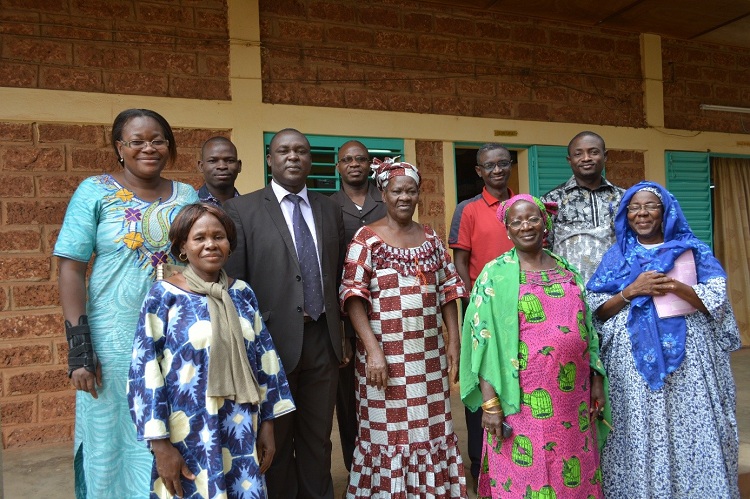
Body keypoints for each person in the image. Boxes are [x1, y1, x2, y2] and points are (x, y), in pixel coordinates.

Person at [54, 108, 199, 497]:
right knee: (112, 437)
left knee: (176, 429)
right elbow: (71, 268)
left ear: (169, 146)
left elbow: (200, 259)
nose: (148, 148)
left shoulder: (187, 195)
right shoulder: (94, 191)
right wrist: (79, 347)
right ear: (120, 147)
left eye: (158, 140)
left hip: (177, 339)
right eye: (137, 141)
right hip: (113, 342)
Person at [127, 203, 295, 498]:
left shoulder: (242, 292)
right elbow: (145, 370)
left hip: (240, 426)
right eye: (199, 238)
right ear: (182, 246)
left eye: (219, 237)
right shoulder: (164, 296)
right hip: (187, 433)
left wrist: (267, 424)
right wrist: (160, 444)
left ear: (229, 245)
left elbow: (265, 359)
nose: (210, 245)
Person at [586, 181, 740, 498]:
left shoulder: (692, 250)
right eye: (634, 208)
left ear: (665, 210)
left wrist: (675, 285)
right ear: (626, 214)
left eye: (650, 206)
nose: (642, 213)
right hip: (631, 371)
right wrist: (632, 291)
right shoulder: (616, 257)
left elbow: (718, 302)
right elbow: (594, 313)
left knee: (691, 428)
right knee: (637, 430)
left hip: (689, 366)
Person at [460, 194, 609, 499]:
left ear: (546, 223)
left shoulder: (567, 271)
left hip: (572, 401)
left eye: (532, 218)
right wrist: (489, 403)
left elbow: (588, 331)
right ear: (507, 229)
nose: (525, 226)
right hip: (519, 402)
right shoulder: (494, 275)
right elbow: (482, 344)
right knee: (525, 476)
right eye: (516, 221)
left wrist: (595, 378)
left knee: (571, 469)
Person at [223, 128, 345, 499]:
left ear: (310, 160)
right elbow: (236, 284)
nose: (293, 157)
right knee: (274, 439)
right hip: (270, 344)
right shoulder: (242, 210)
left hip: (323, 338)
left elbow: (338, 272)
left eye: (301, 151)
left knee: (318, 438)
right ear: (270, 159)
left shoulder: (329, 207)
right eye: (283, 151)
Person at [340, 158, 467, 497]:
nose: (404, 197)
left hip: (427, 358)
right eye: (397, 191)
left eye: (411, 191)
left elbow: (448, 290)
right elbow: (353, 297)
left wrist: (453, 340)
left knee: (430, 430)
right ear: (382, 193)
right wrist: (373, 352)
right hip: (385, 359)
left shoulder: (430, 237)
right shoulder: (366, 239)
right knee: (389, 434)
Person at [448, 142, 515, 488]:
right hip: (482, 311)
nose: (497, 170)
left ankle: (514, 463)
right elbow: (460, 261)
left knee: (515, 382)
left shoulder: (523, 206)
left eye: (503, 163)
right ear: (478, 171)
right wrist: (473, 302)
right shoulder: (468, 209)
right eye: (489, 166)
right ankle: (479, 467)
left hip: (521, 310)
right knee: (480, 385)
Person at [329, 140, 386, 473]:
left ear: (370, 164)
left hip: (387, 314)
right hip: (345, 314)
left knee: (384, 392)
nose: (354, 164)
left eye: (360, 159)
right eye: (347, 160)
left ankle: (386, 463)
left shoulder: (387, 200)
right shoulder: (327, 205)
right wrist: (340, 327)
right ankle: (358, 468)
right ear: (338, 166)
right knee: (348, 399)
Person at [541, 131, 624, 282]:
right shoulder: (552, 200)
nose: (586, 158)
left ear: (605, 156)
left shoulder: (623, 198)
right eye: (578, 154)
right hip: (569, 288)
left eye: (593, 152)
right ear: (569, 160)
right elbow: (544, 248)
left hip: (615, 287)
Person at [197, 136, 242, 206]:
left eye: (230, 160)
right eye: (212, 161)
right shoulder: (188, 205)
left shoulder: (250, 206)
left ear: (239, 166)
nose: (222, 166)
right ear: (201, 166)